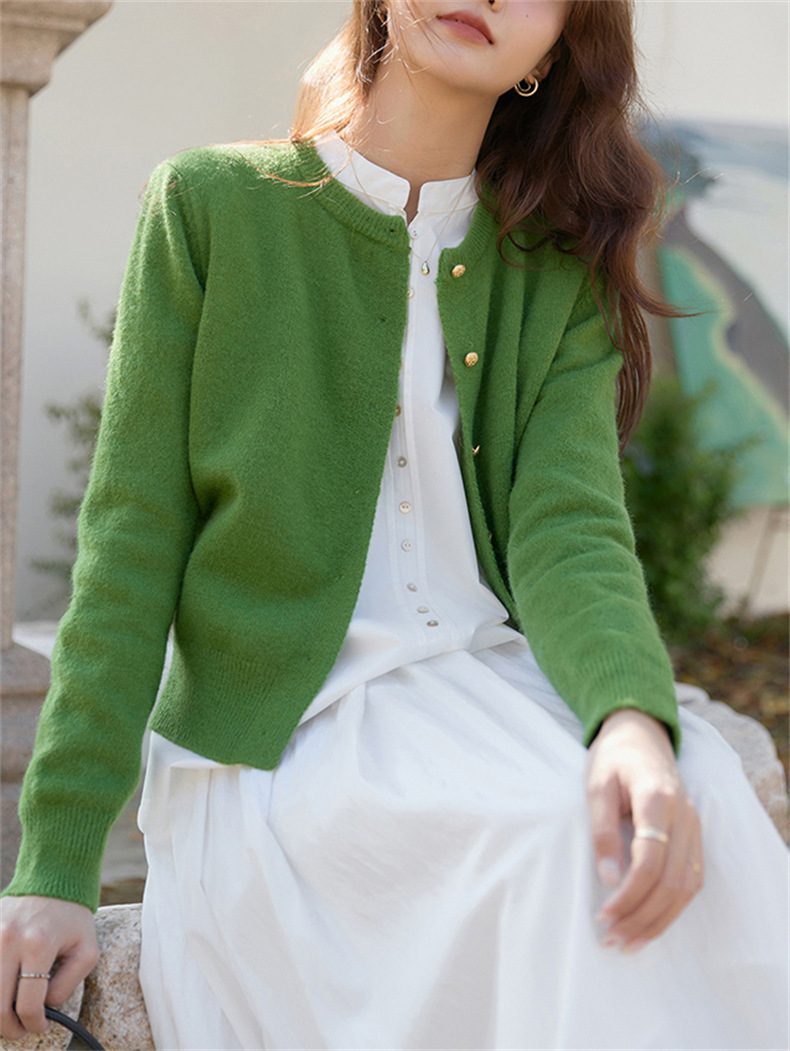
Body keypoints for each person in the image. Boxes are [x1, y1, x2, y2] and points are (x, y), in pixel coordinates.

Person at [1, 1, 788, 1048]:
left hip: (485, 687)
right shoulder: (208, 206)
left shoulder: (554, 264)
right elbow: (130, 548)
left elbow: (569, 530)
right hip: (283, 740)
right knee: (550, 840)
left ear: (559, 45)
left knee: (702, 795)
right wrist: (55, 861)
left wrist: (630, 721)